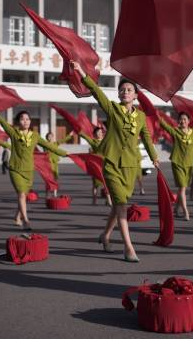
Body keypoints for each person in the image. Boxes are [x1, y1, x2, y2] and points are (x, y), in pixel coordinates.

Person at [70, 61, 159, 263]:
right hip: (111, 164)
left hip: (130, 165)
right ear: (119, 94)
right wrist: (82, 72)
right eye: (122, 90)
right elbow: (96, 91)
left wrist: (154, 157)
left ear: (136, 95)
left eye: (129, 89)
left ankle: (105, 235)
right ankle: (128, 247)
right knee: (120, 206)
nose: (125, 92)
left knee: (119, 205)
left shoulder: (141, 116)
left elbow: (146, 137)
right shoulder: (112, 110)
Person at [0, 103, 70, 230]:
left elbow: (50, 146)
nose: (26, 121)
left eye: (28, 119)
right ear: (18, 122)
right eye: (23, 119)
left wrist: (65, 153)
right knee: (22, 194)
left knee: (23, 195)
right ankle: (26, 221)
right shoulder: (13, 133)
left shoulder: (35, 136)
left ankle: (17, 216)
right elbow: (2, 121)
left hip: (29, 170)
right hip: (15, 169)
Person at [159, 112, 193, 221]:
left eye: (184, 119)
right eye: (180, 119)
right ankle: (186, 212)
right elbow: (164, 126)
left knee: (182, 188)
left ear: (189, 121)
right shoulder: (175, 131)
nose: (182, 121)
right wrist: (157, 116)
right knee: (182, 188)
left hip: (189, 164)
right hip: (177, 162)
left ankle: (175, 209)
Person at [79, 126, 113, 206]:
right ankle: (94, 200)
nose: (100, 134)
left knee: (107, 183)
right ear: (94, 134)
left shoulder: (106, 141)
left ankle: (108, 200)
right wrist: (79, 131)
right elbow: (86, 138)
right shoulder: (93, 142)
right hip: (97, 165)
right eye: (98, 132)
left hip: (105, 164)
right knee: (96, 184)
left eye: (101, 132)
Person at [44, 131, 74, 198]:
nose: (50, 138)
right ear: (46, 138)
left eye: (51, 136)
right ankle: (47, 194)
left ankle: (55, 193)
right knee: (48, 179)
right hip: (48, 164)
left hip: (55, 163)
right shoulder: (45, 144)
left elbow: (62, 140)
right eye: (49, 136)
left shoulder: (55, 143)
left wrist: (69, 135)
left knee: (55, 179)